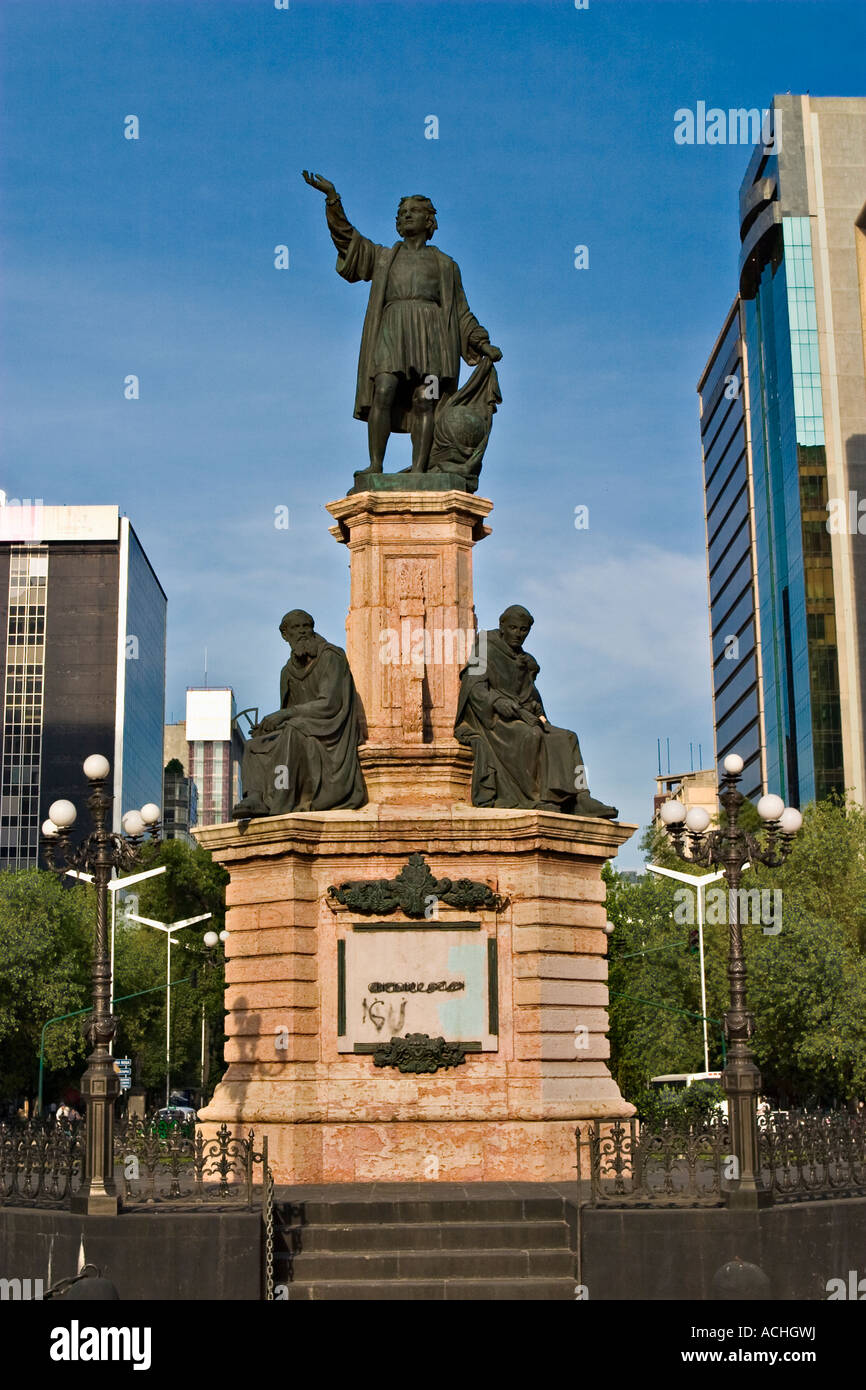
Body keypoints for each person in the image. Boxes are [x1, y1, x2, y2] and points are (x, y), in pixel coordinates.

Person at [302, 171, 502, 473]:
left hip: (432, 338)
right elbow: (348, 241)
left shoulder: (446, 265)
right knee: (383, 389)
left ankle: (420, 471)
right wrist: (333, 199)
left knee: (426, 400)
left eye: (414, 211)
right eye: (402, 212)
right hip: (393, 330)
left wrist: (481, 342)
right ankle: (375, 465)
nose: (406, 215)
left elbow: (461, 312)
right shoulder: (384, 257)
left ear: (429, 221)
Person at [455, 605, 617, 817]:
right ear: (502, 626)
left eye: (523, 630)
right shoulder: (484, 647)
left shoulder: (525, 660)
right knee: (531, 735)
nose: (518, 634)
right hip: (494, 720)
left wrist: (538, 713)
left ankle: (582, 796)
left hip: (522, 715)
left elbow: (531, 696)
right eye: (513, 628)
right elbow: (473, 686)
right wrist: (495, 701)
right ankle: (535, 798)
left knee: (567, 738)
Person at [232, 610, 367, 817]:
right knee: (254, 745)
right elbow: (288, 714)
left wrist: (284, 716)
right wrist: (269, 727)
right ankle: (255, 797)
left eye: (307, 626)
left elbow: (329, 704)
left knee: (291, 732)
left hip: (329, 733)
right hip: (303, 729)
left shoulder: (331, 657)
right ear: (285, 635)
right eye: (296, 628)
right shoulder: (287, 672)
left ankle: (282, 799)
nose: (303, 632)